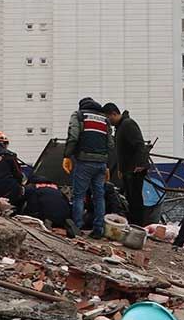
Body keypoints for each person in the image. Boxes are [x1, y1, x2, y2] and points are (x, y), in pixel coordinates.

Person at [62, 97, 111, 239]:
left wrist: (67, 155)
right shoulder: (104, 119)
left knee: (79, 196)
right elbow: (110, 143)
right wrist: (106, 164)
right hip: (101, 163)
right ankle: (98, 230)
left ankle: (77, 228)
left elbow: (73, 136)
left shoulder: (78, 115)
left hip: (84, 161)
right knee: (99, 196)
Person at [102, 103, 150, 226]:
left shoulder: (128, 124)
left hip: (136, 168)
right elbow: (121, 151)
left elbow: (139, 144)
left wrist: (140, 164)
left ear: (114, 113)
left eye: (108, 118)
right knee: (130, 198)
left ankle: (139, 225)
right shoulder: (120, 127)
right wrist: (121, 168)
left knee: (135, 199)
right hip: (127, 169)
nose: (108, 121)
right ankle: (133, 223)